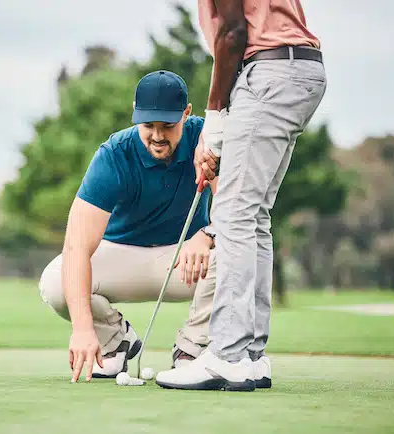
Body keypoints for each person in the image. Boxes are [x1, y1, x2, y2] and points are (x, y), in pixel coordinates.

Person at [155, 0, 327, 391]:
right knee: (254, 217)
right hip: (296, 70)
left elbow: (233, 34)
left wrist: (214, 119)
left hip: (269, 71)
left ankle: (226, 355)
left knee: (232, 214)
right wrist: (223, 119)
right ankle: (251, 357)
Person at [38, 70, 220, 382]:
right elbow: (77, 246)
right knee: (56, 282)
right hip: (120, 256)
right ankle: (114, 343)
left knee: (240, 254)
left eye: (168, 126)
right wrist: (82, 329)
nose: (158, 135)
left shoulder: (206, 141)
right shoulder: (114, 155)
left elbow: (238, 212)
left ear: (187, 113)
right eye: (149, 125)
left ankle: (192, 349)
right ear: (135, 115)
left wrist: (207, 235)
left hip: (185, 260)